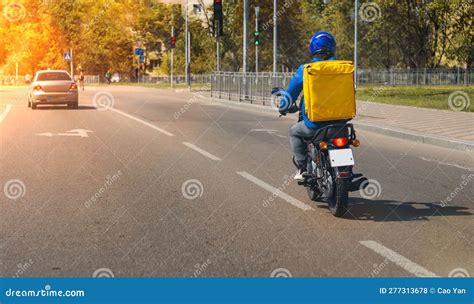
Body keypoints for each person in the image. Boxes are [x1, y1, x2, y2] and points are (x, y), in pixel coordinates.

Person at [279, 31, 349, 181]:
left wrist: (283, 107)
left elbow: (289, 95)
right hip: (341, 123)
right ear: (333, 48)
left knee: (294, 131)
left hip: (314, 124)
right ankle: (346, 171)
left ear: (312, 49)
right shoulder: (344, 67)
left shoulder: (305, 69)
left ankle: (303, 168)